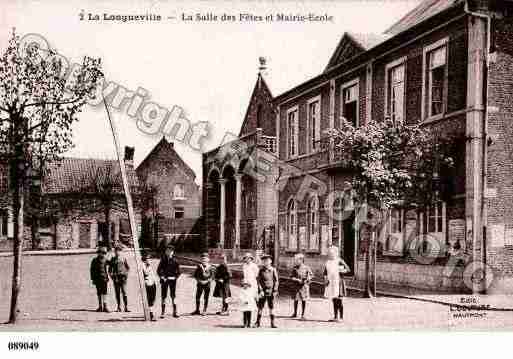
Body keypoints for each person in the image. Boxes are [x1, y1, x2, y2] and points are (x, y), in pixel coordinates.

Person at [323, 246, 350, 322]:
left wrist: (341, 271)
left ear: (336, 253)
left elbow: (348, 269)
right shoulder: (328, 262)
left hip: (339, 283)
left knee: (339, 300)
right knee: (334, 300)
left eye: (332, 253)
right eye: (330, 253)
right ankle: (335, 317)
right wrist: (326, 280)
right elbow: (325, 272)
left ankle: (341, 317)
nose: (331, 255)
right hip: (331, 283)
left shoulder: (339, 261)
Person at [157, 244, 181, 318]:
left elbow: (179, 272)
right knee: (163, 296)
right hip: (164, 280)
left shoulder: (175, 261)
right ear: (165, 252)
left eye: (170, 251)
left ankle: (175, 311)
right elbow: (158, 270)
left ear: (173, 252)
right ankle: (163, 312)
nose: (168, 252)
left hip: (172, 281)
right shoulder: (163, 260)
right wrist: (161, 276)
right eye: (167, 251)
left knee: (173, 296)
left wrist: (174, 278)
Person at [256, 254, 279, 328]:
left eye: (267, 261)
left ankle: (272, 323)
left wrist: (275, 291)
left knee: (271, 307)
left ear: (270, 261)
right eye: (264, 261)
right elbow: (258, 281)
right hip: (263, 292)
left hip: (271, 292)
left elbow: (276, 281)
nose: (266, 262)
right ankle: (257, 322)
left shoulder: (273, 270)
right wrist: (261, 290)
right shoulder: (261, 270)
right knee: (260, 307)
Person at [290, 253, 313, 320]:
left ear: (301, 260)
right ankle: (295, 313)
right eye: (295, 260)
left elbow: (311, 275)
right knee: (296, 299)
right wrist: (297, 280)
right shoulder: (295, 268)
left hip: (304, 286)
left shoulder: (306, 267)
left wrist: (308, 278)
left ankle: (303, 314)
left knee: (304, 300)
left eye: (297, 260)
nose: (296, 261)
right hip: (296, 286)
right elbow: (291, 277)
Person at [109, 244, 131, 312]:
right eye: (116, 251)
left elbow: (128, 268)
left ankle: (126, 307)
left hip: (123, 278)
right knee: (117, 293)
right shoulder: (113, 259)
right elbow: (110, 270)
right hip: (116, 278)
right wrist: (112, 277)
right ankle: (118, 307)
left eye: (119, 251)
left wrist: (126, 275)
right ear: (114, 252)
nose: (117, 252)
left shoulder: (123, 258)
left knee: (124, 293)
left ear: (120, 251)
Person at [90, 246, 110, 313]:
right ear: (98, 253)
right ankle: (100, 306)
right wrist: (92, 279)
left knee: (104, 293)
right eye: (100, 253)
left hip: (104, 278)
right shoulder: (94, 260)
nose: (102, 254)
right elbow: (92, 270)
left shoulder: (105, 260)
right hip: (97, 279)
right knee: (99, 293)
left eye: (103, 253)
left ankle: (105, 306)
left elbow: (111, 264)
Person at [142, 252, 158, 321]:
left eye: (150, 258)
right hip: (147, 284)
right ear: (145, 259)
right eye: (148, 259)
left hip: (152, 283)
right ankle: (151, 314)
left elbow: (152, 274)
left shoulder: (149, 265)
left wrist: (155, 281)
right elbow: (145, 273)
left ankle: (151, 312)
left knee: (153, 299)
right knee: (149, 299)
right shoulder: (143, 265)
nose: (150, 260)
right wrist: (147, 266)